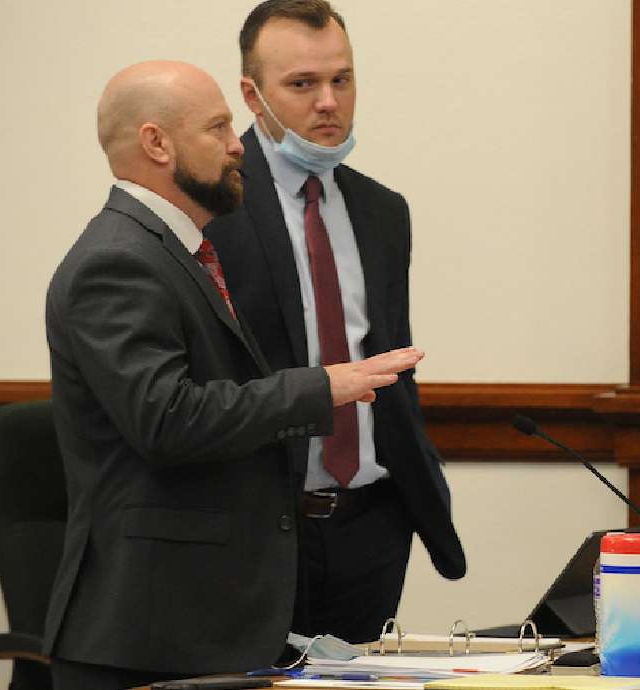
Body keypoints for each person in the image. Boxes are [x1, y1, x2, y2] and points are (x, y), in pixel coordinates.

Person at [43, 60, 424, 690]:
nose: (236, 145)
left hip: (197, 625)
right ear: (157, 144)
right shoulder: (117, 259)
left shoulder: (178, 249)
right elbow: (168, 419)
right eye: (218, 127)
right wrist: (322, 386)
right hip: (148, 638)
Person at [206, 0, 465, 644]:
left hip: (370, 523)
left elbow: (389, 361)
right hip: (256, 529)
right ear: (252, 95)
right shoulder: (209, 206)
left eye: (341, 79)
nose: (328, 102)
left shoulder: (382, 210)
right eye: (302, 84)